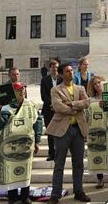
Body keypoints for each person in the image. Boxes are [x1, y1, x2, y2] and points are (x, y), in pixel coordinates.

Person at [46, 64, 91, 204]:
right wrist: (76, 107)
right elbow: (58, 106)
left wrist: (71, 104)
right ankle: (55, 194)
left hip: (78, 129)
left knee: (78, 163)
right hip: (62, 130)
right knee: (59, 163)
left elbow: (87, 102)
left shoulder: (80, 88)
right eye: (67, 71)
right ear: (61, 74)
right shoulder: (55, 89)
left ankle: (79, 191)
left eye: (72, 71)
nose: (71, 73)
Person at [0, 82, 42, 204]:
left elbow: (37, 122)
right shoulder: (6, 108)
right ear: (13, 93)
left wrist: (37, 140)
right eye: (19, 90)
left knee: (26, 170)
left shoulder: (30, 105)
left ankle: (25, 196)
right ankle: (13, 197)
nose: (22, 92)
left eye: (23, 89)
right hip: (10, 147)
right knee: (10, 171)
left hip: (26, 146)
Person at [86, 75, 108, 189]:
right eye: (95, 83)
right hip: (95, 131)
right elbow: (87, 116)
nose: (97, 85)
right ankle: (100, 180)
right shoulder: (91, 100)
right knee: (97, 154)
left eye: (99, 82)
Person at [40, 59, 61, 161]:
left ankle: (59, 153)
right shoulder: (44, 80)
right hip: (48, 110)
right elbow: (43, 96)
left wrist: (57, 105)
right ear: (50, 68)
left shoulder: (62, 79)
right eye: (53, 67)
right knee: (50, 133)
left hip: (60, 110)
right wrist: (52, 104)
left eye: (56, 67)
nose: (55, 69)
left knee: (59, 133)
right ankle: (51, 154)